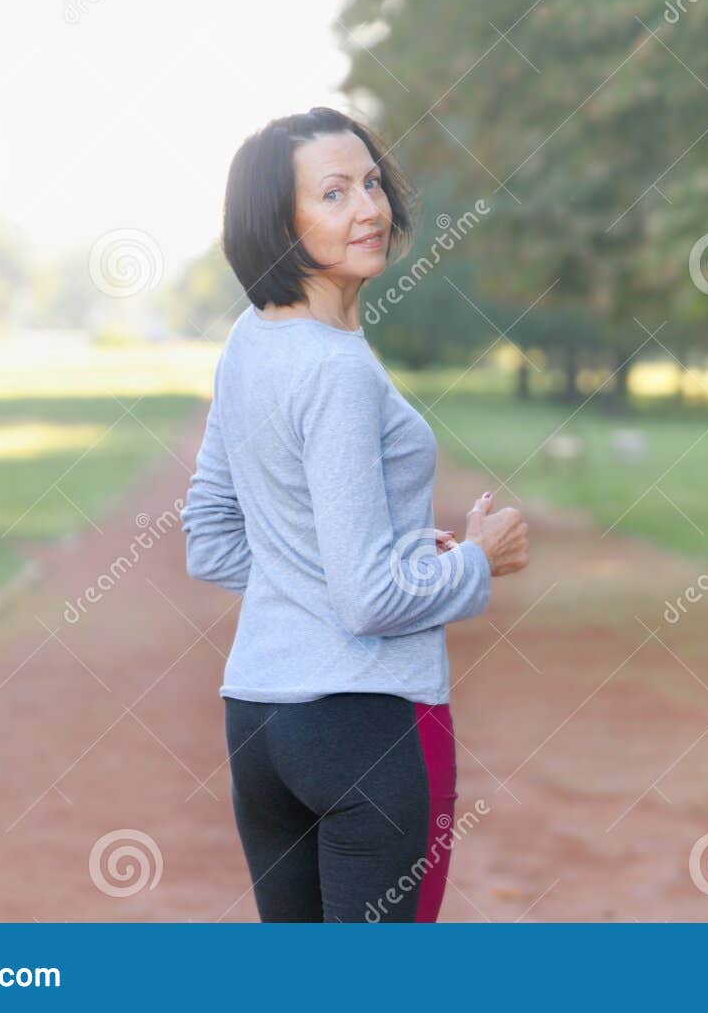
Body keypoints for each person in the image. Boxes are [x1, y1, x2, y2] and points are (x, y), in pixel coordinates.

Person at [182, 107, 530, 921]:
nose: (369, 209)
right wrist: (477, 559)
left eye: (371, 182)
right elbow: (366, 599)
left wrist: (374, 553)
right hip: (366, 729)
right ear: (279, 223)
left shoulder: (249, 340)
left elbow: (213, 539)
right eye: (334, 194)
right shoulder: (337, 370)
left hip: (260, 723)